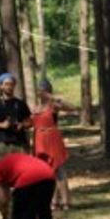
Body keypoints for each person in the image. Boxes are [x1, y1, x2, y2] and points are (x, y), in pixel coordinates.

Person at [31, 79, 76, 211]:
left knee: (59, 169)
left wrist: (54, 98)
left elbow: (71, 108)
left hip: (52, 138)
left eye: (43, 90)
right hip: (39, 140)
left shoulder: (54, 106)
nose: (41, 93)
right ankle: (53, 201)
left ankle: (65, 200)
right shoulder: (36, 108)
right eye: (39, 90)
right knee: (46, 171)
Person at [0, 73, 32, 155]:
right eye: (6, 84)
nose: (9, 87)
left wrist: (22, 125)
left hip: (20, 143)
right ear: (1, 86)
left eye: (11, 84)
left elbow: (29, 122)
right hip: (3, 143)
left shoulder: (21, 103)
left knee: (22, 167)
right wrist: (2, 125)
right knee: (4, 167)